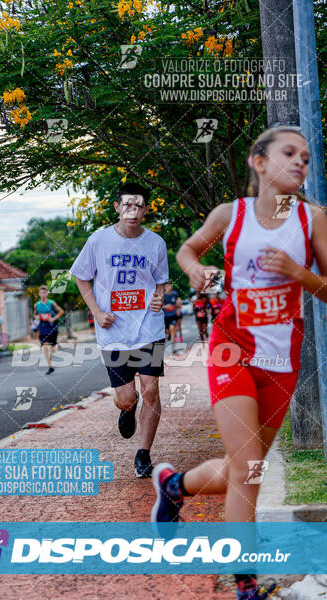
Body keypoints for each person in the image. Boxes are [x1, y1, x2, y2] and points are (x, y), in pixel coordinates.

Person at [151, 126, 327, 600]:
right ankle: (244, 584)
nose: (300, 163)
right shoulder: (230, 215)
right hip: (232, 349)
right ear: (259, 162)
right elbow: (188, 249)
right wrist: (196, 270)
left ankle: (174, 485)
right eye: (289, 153)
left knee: (244, 465)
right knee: (250, 467)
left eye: (306, 158)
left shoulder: (314, 220)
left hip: (281, 357)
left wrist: (298, 273)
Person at [70, 182, 168, 478]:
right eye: (127, 205)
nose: (133, 211)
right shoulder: (99, 241)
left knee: (151, 390)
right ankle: (127, 409)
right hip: (113, 332)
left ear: (146, 209)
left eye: (138, 205)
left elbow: (161, 280)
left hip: (148, 327)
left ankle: (143, 454)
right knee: (126, 397)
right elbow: (81, 277)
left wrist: (160, 294)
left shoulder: (156, 243)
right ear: (117, 207)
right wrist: (97, 312)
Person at [33, 285, 64, 375]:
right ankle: (50, 366)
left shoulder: (51, 303)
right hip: (42, 327)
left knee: (53, 349)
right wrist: (37, 317)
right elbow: (34, 315)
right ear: (39, 294)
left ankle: (55, 344)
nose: (42, 294)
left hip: (52, 326)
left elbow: (61, 311)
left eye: (44, 293)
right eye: (41, 293)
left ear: (47, 293)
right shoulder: (37, 305)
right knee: (46, 347)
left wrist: (54, 318)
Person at [162, 282, 180, 353]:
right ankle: (168, 335)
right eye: (166, 286)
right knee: (167, 331)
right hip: (165, 316)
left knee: (172, 329)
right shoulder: (163, 295)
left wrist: (178, 307)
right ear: (164, 287)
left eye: (169, 286)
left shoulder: (174, 294)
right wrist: (166, 306)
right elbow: (160, 305)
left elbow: (178, 301)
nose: (168, 287)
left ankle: (173, 348)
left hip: (173, 315)